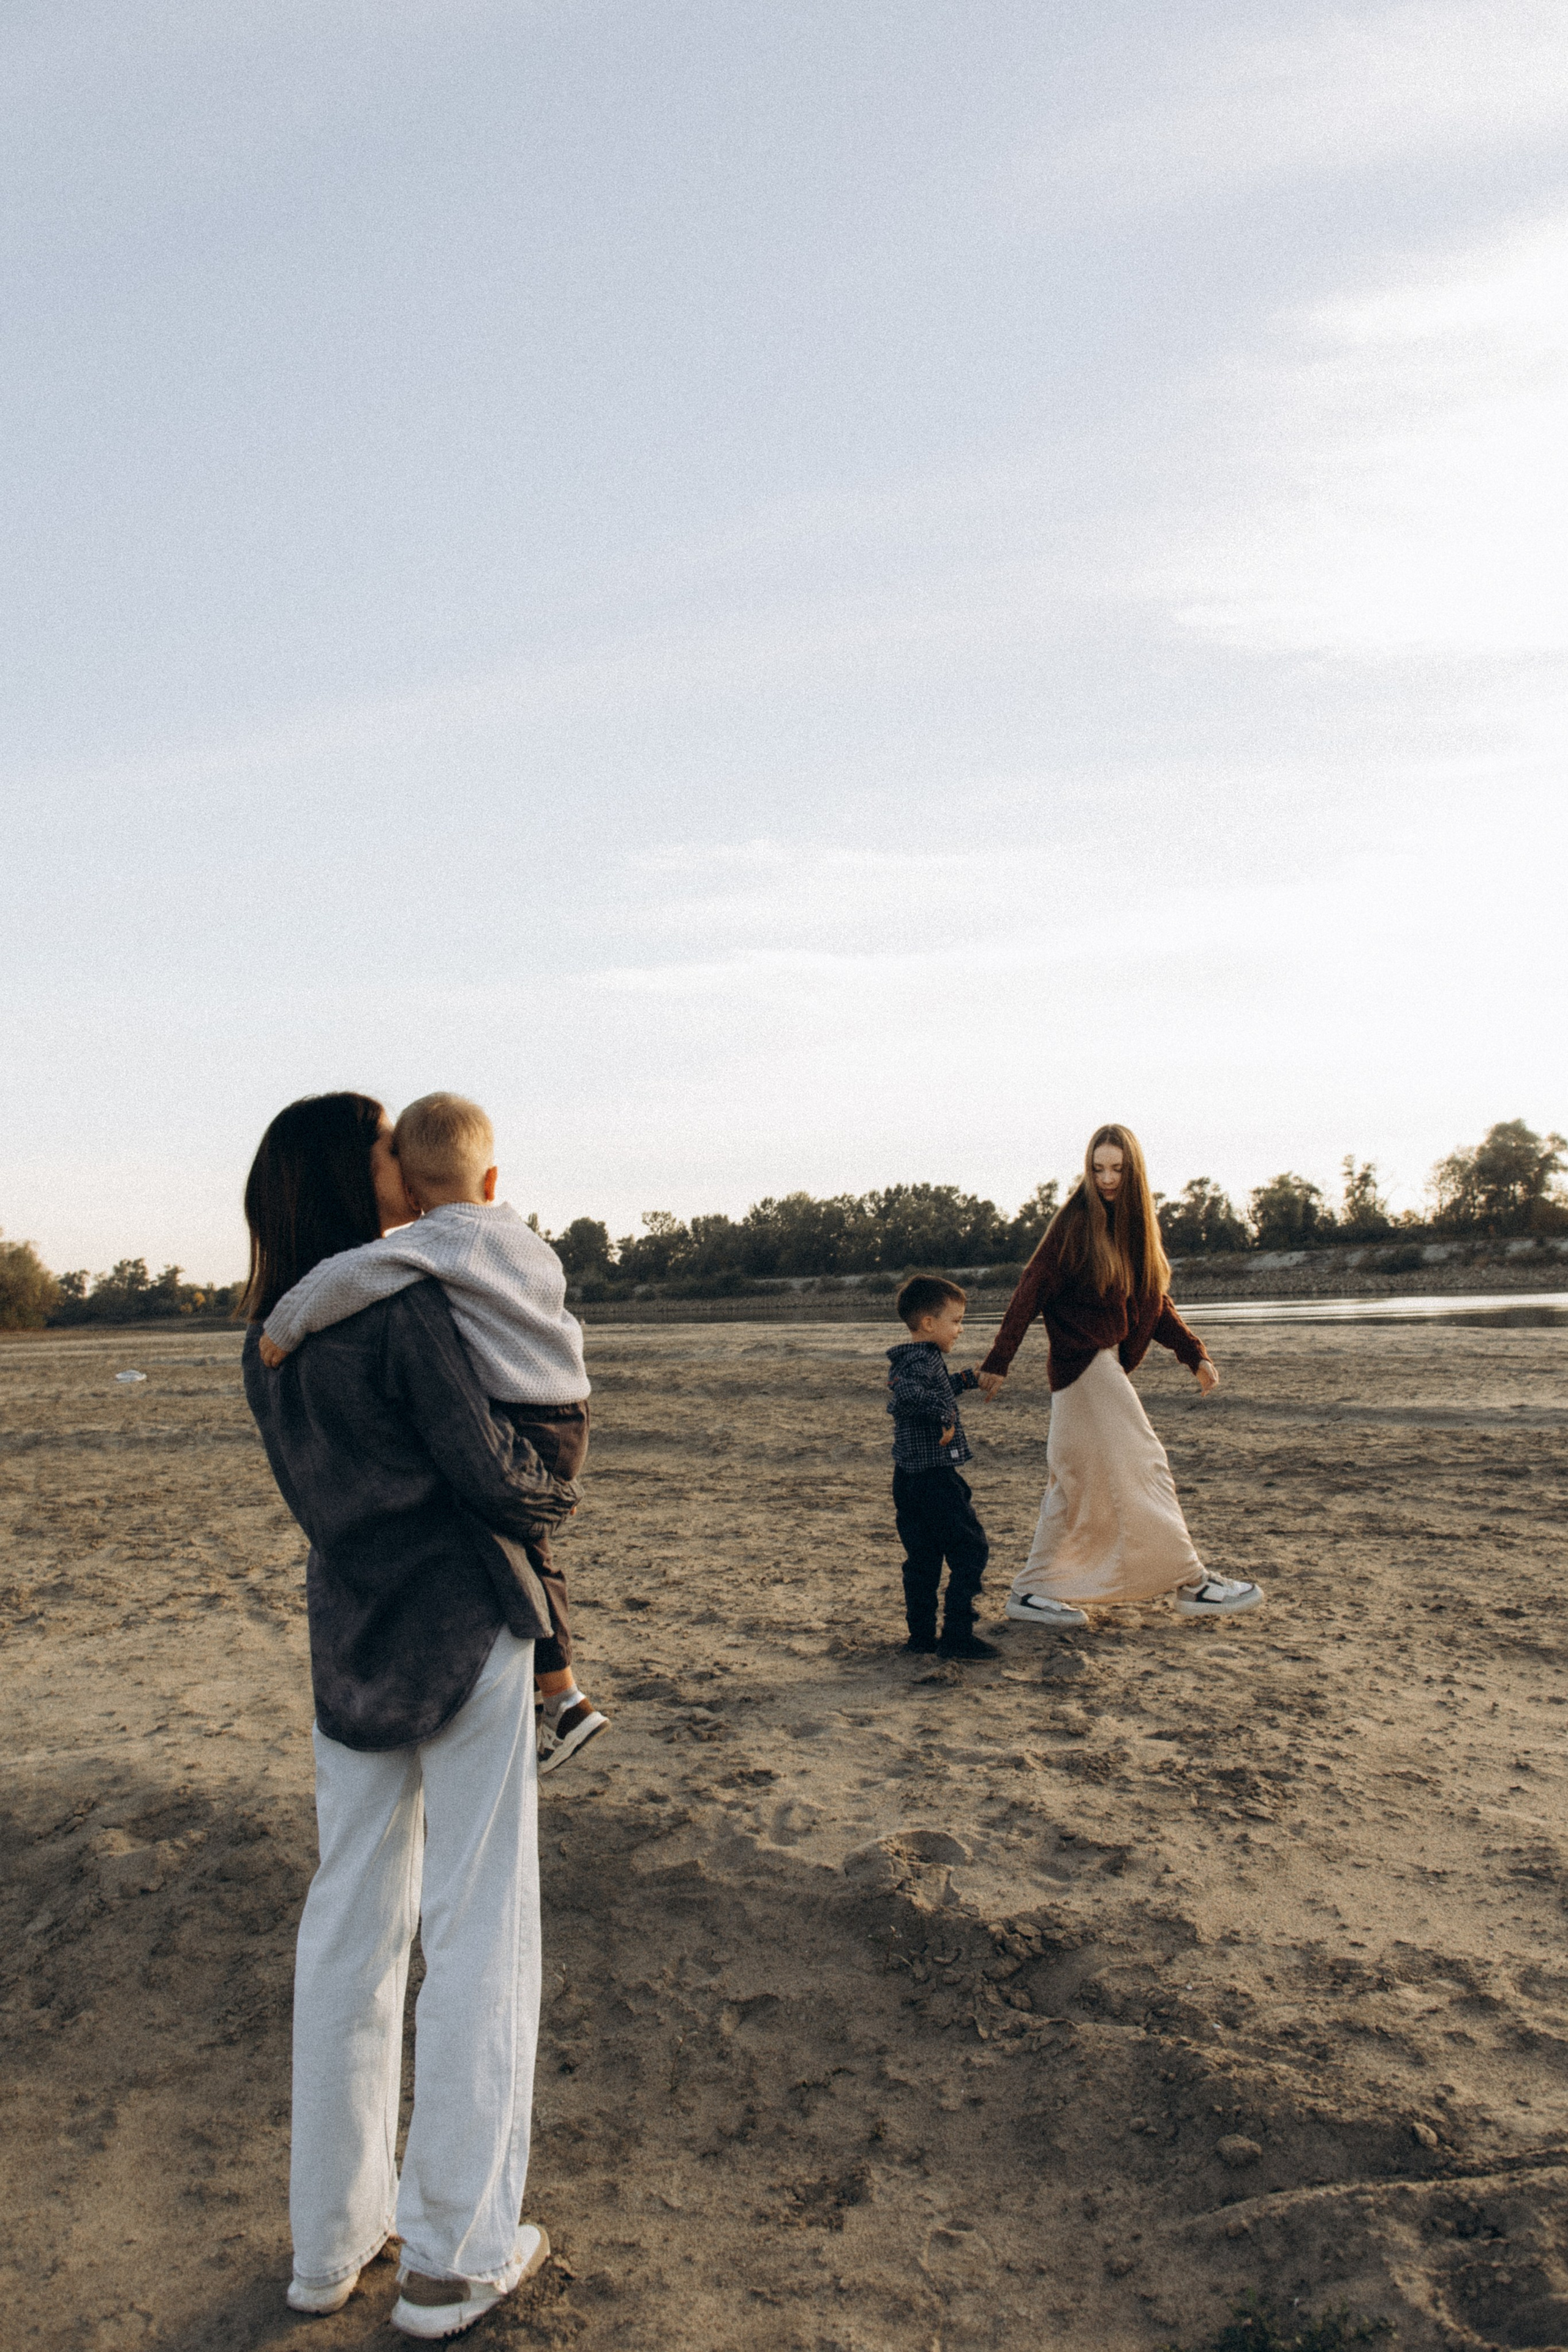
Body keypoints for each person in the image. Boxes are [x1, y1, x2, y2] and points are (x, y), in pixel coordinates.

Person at [240, 1091, 580, 2337]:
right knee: (481, 1931)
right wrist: (559, 1471)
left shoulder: (266, 1337)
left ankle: (328, 2245)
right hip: (461, 1627)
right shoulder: (402, 1305)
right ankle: (452, 2255)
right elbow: (499, 1478)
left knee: (347, 1929)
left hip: (350, 1638)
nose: (403, 1161)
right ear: (352, 1175)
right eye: (386, 1146)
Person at [258, 1091, 608, 1775]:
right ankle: (563, 1696)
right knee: (535, 1551)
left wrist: (283, 1325)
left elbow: (346, 1276)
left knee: (532, 1552)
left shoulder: (426, 1251)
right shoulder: (521, 1238)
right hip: (566, 1408)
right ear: (493, 1178)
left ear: (415, 1189)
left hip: (515, 1436)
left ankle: (564, 1697)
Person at [977, 1124, 1263, 1626]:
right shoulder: (1076, 1223)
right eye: (1097, 1168)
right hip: (1084, 1365)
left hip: (1097, 1365)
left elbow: (1154, 1299)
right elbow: (1030, 1288)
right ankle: (1192, 1583)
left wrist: (1193, 1353)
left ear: (1133, 1171)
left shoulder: (1134, 1227)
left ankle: (1030, 1592)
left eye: (1116, 1169)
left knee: (1071, 1484)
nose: (1106, 1178)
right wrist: (1000, 1360)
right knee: (1146, 1463)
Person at [886, 1275, 998, 1660]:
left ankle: (920, 1638)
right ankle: (957, 1635)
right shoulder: (918, 1359)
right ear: (929, 1324)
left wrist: (965, 1380)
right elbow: (908, 1396)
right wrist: (943, 1415)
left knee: (924, 1558)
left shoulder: (921, 1359)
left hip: (910, 1478)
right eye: (955, 1321)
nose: (961, 1328)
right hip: (933, 1477)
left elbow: (928, 1389)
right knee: (970, 1549)